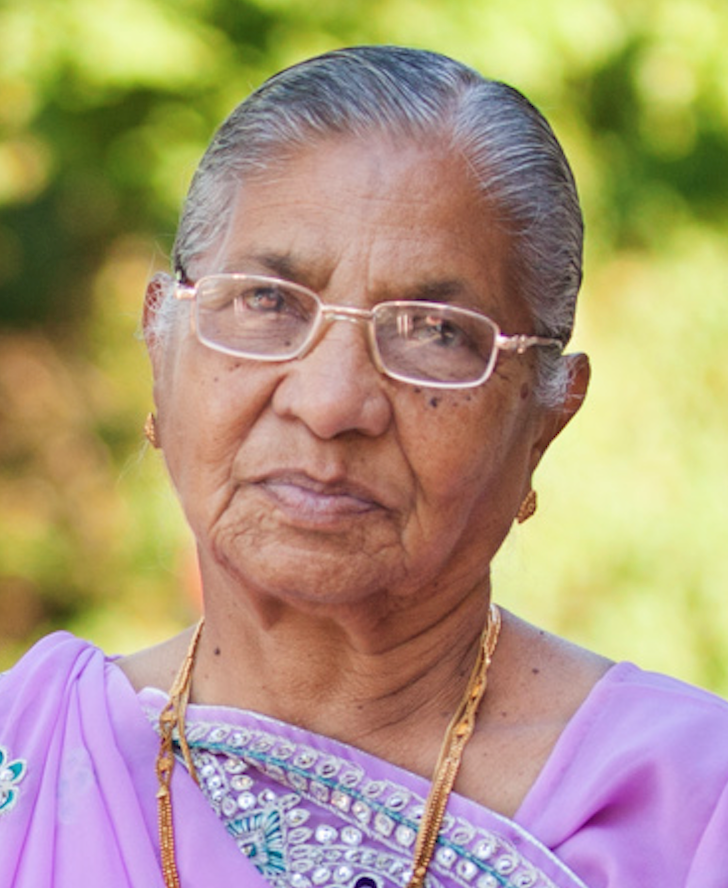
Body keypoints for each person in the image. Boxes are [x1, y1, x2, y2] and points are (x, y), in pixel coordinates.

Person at [1, 45, 727, 888]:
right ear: (162, 350)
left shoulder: (689, 807)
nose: (331, 402)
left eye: (434, 332)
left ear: (545, 420)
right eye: (267, 301)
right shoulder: (28, 756)